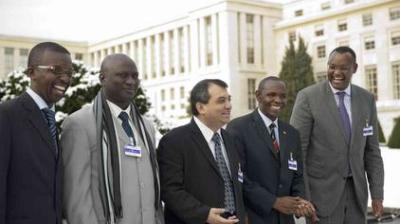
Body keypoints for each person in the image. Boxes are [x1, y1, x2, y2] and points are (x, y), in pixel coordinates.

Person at [61, 54, 164, 224]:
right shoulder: (79, 124)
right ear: (102, 78)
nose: (131, 81)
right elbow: (76, 196)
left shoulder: (146, 127)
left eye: (135, 76)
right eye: (123, 75)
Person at [290, 46, 384, 223]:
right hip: (320, 197)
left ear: (354, 68)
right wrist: (303, 198)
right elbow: (296, 152)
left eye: (343, 68)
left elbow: (372, 152)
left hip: (357, 197)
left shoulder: (367, 100)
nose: (337, 72)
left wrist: (377, 194)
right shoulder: (308, 97)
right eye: (332, 67)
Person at [226, 76, 316, 224]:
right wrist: (273, 202)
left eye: (282, 96)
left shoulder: (292, 133)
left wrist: (300, 202)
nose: (278, 100)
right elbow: (238, 177)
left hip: (286, 219)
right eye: (271, 95)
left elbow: (298, 175)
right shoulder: (238, 128)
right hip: (254, 217)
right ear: (258, 96)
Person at [0, 42, 72, 224]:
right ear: (31, 72)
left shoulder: (51, 119)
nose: (64, 78)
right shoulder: (6, 115)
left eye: (69, 73)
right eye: (56, 70)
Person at [157, 79, 246, 224]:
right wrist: (204, 215)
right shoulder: (174, 141)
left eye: (229, 100)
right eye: (221, 101)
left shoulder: (231, 139)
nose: (229, 106)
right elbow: (170, 190)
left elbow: (237, 183)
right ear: (201, 107)